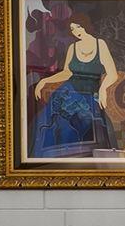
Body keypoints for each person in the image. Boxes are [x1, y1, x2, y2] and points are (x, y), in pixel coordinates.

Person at [32, 13, 120, 157]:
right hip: (68, 93)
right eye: (72, 29)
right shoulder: (72, 47)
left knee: (86, 126)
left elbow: (113, 74)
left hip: (89, 96)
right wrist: (44, 81)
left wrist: (103, 88)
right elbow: (67, 73)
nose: (76, 31)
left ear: (85, 25)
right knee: (53, 125)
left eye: (78, 27)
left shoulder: (100, 44)